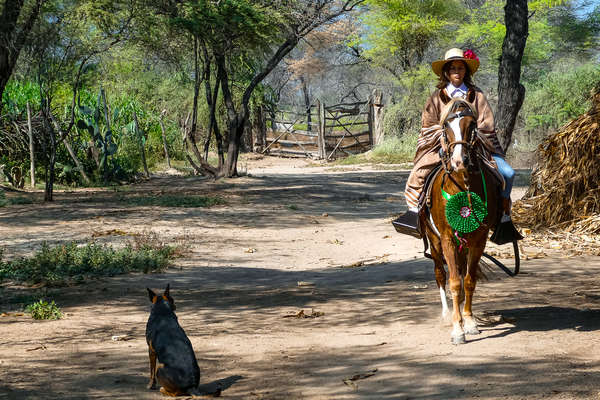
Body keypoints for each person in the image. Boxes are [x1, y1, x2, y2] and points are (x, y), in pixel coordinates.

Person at [394, 47, 520, 244]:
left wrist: (472, 136)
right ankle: (415, 214)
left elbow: (486, 123)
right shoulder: (437, 97)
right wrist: (444, 137)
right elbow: (427, 125)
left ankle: (503, 216)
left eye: (460, 68)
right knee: (418, 174)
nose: (456, 71)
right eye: (452, 68)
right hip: (442, 145)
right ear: (446, 71)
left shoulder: (476, 95)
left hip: (475, 145)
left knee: (508, 174)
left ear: (466, 71)